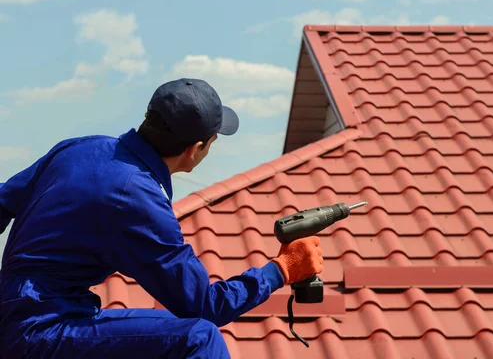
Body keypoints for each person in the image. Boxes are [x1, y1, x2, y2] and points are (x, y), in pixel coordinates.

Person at [0, 78, 324, 358]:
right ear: (195, 149)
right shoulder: (138, 198)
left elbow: (3, 203)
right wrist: (281, 270)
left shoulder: (80, 148)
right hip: (40, 332)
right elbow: (204, 307)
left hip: (19, 314)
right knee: (200, 339)